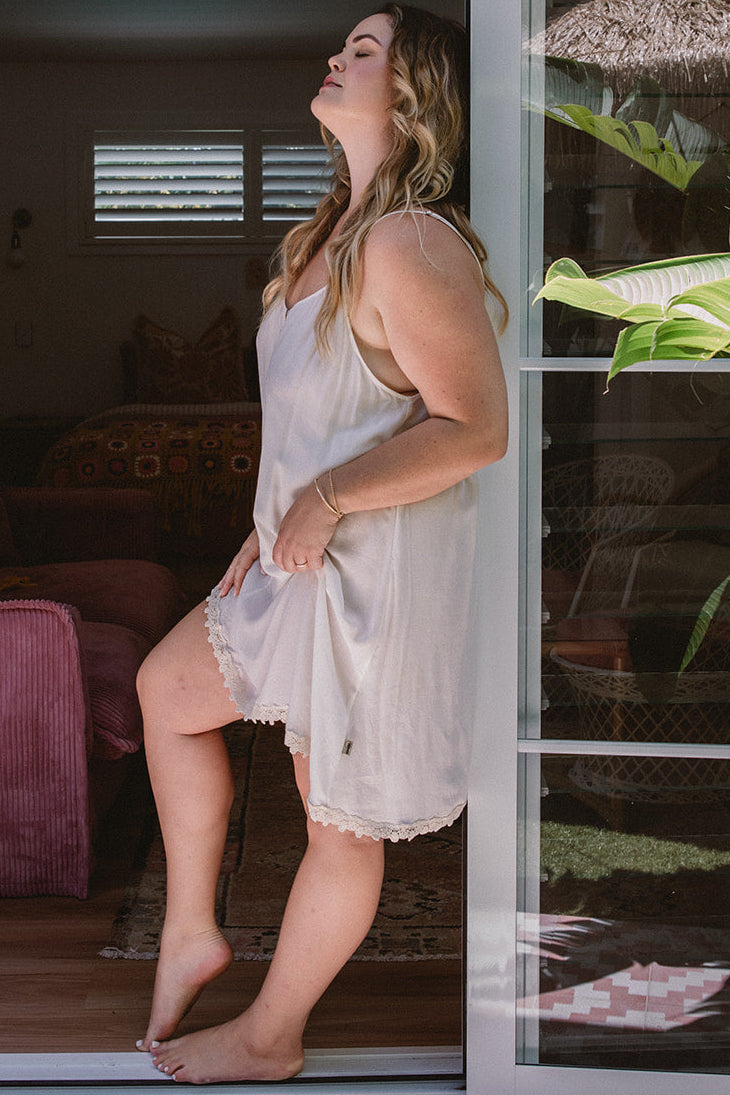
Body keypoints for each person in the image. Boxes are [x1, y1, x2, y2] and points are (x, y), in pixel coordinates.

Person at [135, 3, 508, 1083]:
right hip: (294, 559)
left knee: (335, 826)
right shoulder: (325, 238)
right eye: (338, 43)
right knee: (166, 693)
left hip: (368, 578)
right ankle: (190, 933)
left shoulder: (410, 239)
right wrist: (267, 523)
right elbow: (316, 418)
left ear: (411, 90)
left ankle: (271, 1035)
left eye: (362, 48)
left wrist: (325, 501)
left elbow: (472, 428)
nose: (333, 57)